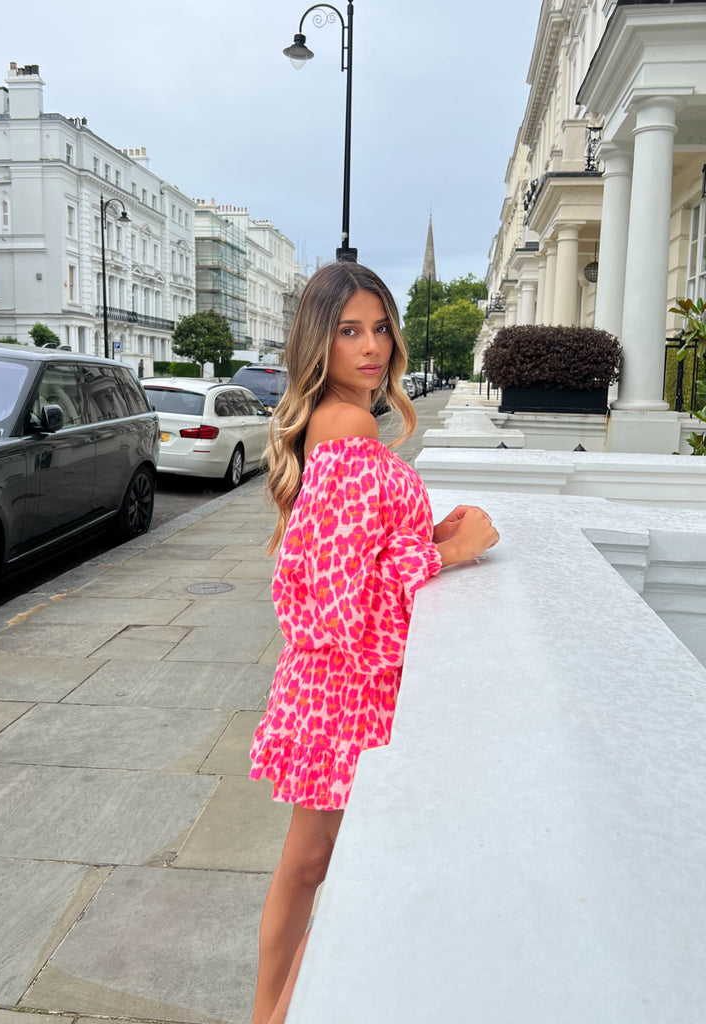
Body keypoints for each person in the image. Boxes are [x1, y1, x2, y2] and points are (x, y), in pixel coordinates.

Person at [248, 262, 499, 1024]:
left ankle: (264, 1012)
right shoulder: (348, 427)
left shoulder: (333, 422)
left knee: (305, 865)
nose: (371, 348)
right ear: (318, 342)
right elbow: (340, 597)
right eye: (349, 331)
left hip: (329, 682)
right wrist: (448, 554)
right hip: (346, 687)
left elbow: (351, 552)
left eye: (380, 328)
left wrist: (426, 534)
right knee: (330, 868)